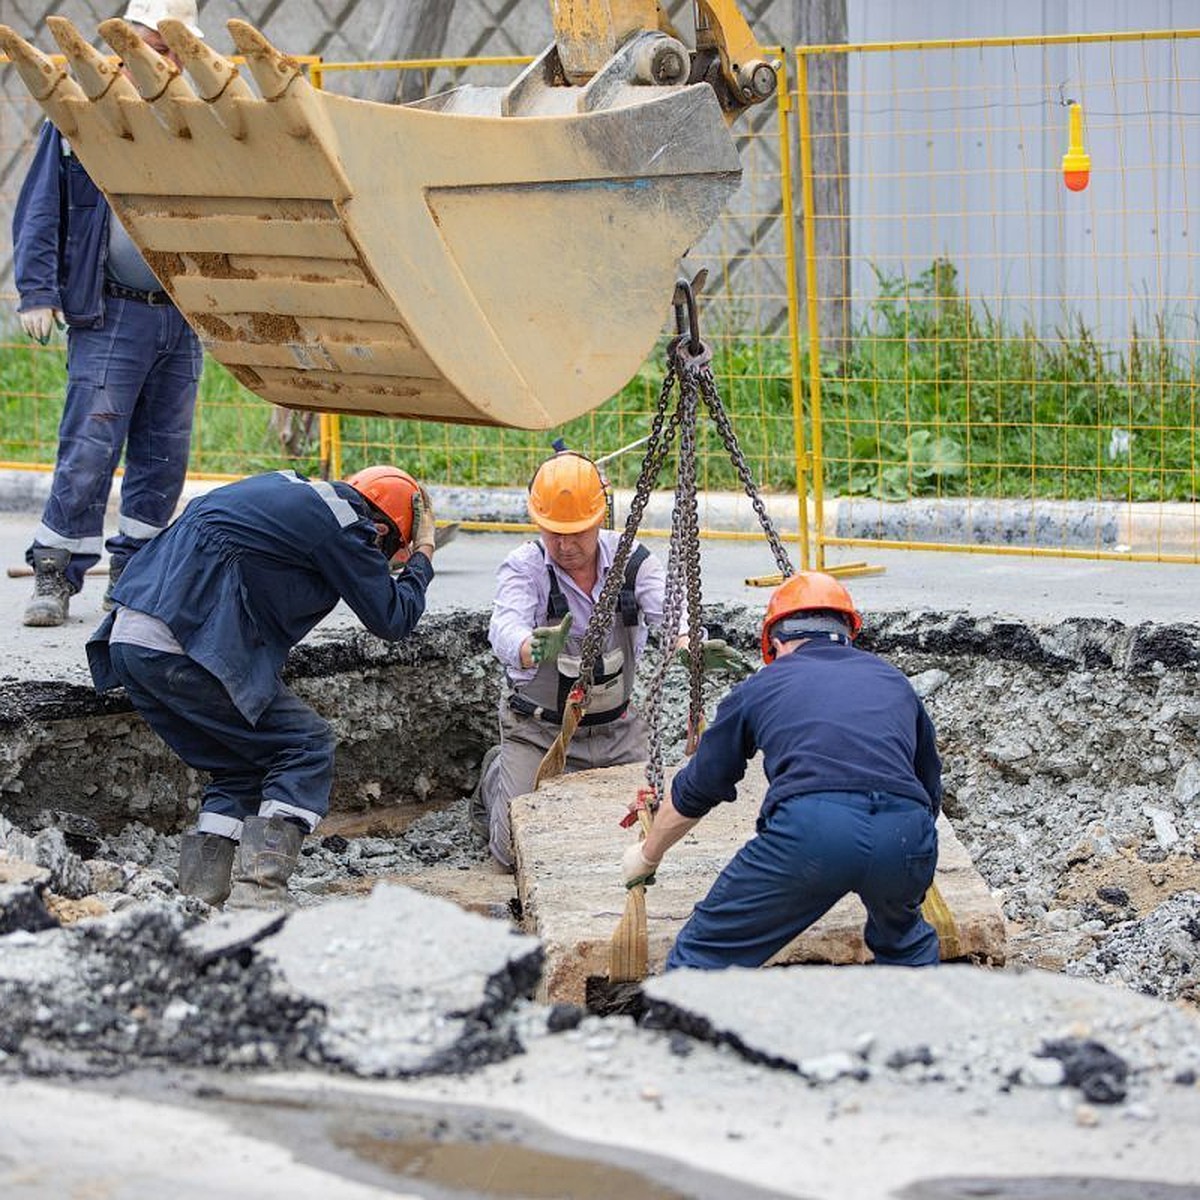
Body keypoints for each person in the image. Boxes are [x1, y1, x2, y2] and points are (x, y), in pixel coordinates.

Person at [86, 465, 438, 910]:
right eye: (389, 552)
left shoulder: (280, 488)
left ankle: (200, 897)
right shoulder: (346, 522)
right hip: (184, 645)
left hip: (130, 642)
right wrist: (423, 553)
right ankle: (260, 893)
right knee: (305, 746)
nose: (380, 561)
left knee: (240, 767)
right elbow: (393, 617)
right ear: (382, 528)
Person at [622, 571, 943, 969]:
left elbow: (699, 788)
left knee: (703, 956)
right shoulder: (894, 682)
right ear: (847, 632)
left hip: (813, 831)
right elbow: (929, 787)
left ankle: (673, 1031)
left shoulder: (762, 686)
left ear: (774, 642)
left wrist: (648, 854)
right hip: (906, 832)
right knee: (905, 946)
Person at [13, 0, 206, 628]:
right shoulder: (81, 117)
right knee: (91, 446)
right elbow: (42, 204)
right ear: (124, 49)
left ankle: (136, 574)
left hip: (180, 314)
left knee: (164, 452)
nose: (165, 60)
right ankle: (54, 573)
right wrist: (37, 291)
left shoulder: (193, 120)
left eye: (175, 49)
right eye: (155, 44)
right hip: (113, 312)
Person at [476, 450, 738, 871]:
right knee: (511, 856)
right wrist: (528, 645)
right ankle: (498, 774)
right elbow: (504, 625)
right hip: (540, 732)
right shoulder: (526, 567)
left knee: (648, 833)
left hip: (617, 732)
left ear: (600, 518)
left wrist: (690, 644)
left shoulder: (632, 563)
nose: (564, 545)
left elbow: (671, 614)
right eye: (553, 533)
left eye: (576, 532)